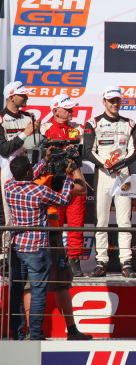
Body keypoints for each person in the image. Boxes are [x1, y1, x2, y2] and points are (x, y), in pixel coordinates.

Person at [7, 154, 73, 340]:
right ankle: (35, 335)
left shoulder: (8, 186)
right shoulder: (39, 191)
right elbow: (64, 200)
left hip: (17, 246)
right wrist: (68, 177)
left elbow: (26, 175)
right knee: (38, 293)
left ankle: (17, 333)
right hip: (37, 248)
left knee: (16, 291)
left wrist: (44, 161)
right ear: (29, 172)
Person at [31, 149, 93, 340]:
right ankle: (71, 330)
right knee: (61, 285)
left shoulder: (20, 183)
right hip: (50, 235)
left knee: (29, 287)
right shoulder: (53, 181)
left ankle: (30, 332)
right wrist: (74, 168)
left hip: (28, 237)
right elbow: (81, 190)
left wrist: (45, 161)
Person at [84, 86, 136, 278]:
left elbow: (134, 151)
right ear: (104, 101)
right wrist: (107, 166)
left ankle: (126, 262)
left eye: (117, 100)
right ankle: (101, 261)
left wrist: (120, 164)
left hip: (123, 176)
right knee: (101, 221)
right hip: (103, 176)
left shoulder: (129, 123)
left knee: (125, 221)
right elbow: (88, 151)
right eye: (111, 100)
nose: (115, 104)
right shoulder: (93, 123)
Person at [40, 94, 87, 278]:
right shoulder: (44, 128)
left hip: (74, 179)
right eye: (66, 109)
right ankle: (55, 259)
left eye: (71, 108)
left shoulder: (78, 128)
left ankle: (74, 260)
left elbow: (85, 152)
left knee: (76, 222)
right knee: (54, 222)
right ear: (55, 110)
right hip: (53, 182)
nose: (71, 111)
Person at [0, 81, 39, 263]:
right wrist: (24, 133)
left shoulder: (29, 116)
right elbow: (4, 150)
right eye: (22, 95)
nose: (26, 97)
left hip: (27, 173)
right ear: (11, 97)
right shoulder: (1, 119)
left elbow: (35, 146)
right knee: (7, 216)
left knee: (27, 214)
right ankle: (3, 258)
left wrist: (36, 134)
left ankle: (24, 253)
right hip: (5, 173)